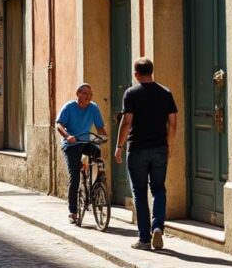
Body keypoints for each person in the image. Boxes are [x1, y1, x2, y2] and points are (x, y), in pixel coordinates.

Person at [114, 57, 177, 251]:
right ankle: (157, 226)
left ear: (136, 73)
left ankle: (144, 238)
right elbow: (173, 123)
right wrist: (169, 146)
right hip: (159, 148)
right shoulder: (166, 93)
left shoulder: (131, 93)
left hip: (137, 150)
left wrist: (119, 146)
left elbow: (127, 122)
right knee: (159, 189)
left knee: (140, 193)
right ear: (151, 71)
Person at [56, 83, 107, 225]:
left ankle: (97, 182)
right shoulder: (69, 107)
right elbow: (59, 124)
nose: (88, 97)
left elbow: (100, 128)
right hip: (71, 144)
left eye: (90, 95)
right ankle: (73, 212)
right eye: (85, 94)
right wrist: (67, 137)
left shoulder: (93, 108)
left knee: (97, 152)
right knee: (75, 177)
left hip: (85, 142)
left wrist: (103, 136)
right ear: (78, 94)